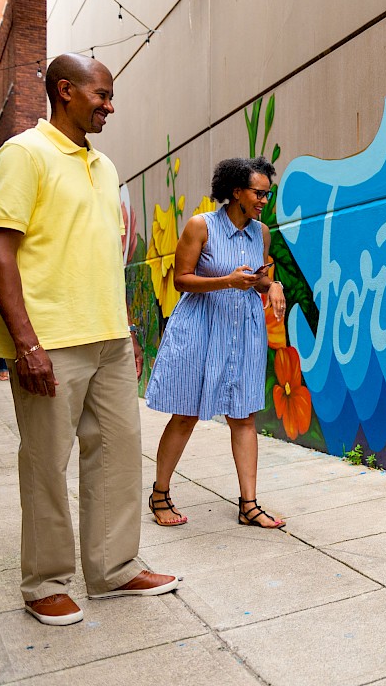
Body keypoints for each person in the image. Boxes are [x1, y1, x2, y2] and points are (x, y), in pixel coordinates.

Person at [0, 53, 180, 627]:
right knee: (46, 464)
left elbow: (105, 257)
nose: (110, 106)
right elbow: (0, 252)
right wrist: (27, 344)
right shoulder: (25, 154)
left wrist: (127, 327)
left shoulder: (105, 166)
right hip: (50, 339)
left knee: (118, 455)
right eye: (101, 95)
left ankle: (114, 568)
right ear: (64, 91)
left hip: (109, 338)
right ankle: (44, 582)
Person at [144, 157, 288, 529]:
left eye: (267, 194)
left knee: (243, 415)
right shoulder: (201, 226)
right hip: (203, 328)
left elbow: (258, 277)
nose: (263, 201)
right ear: (236, 191)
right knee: (187, 413)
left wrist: (272, 285)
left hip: (243, 331)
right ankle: (160, 494)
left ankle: (249, 505)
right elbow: (181, 280)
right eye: (259, 193)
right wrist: (226, 280)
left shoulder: (262, 233)